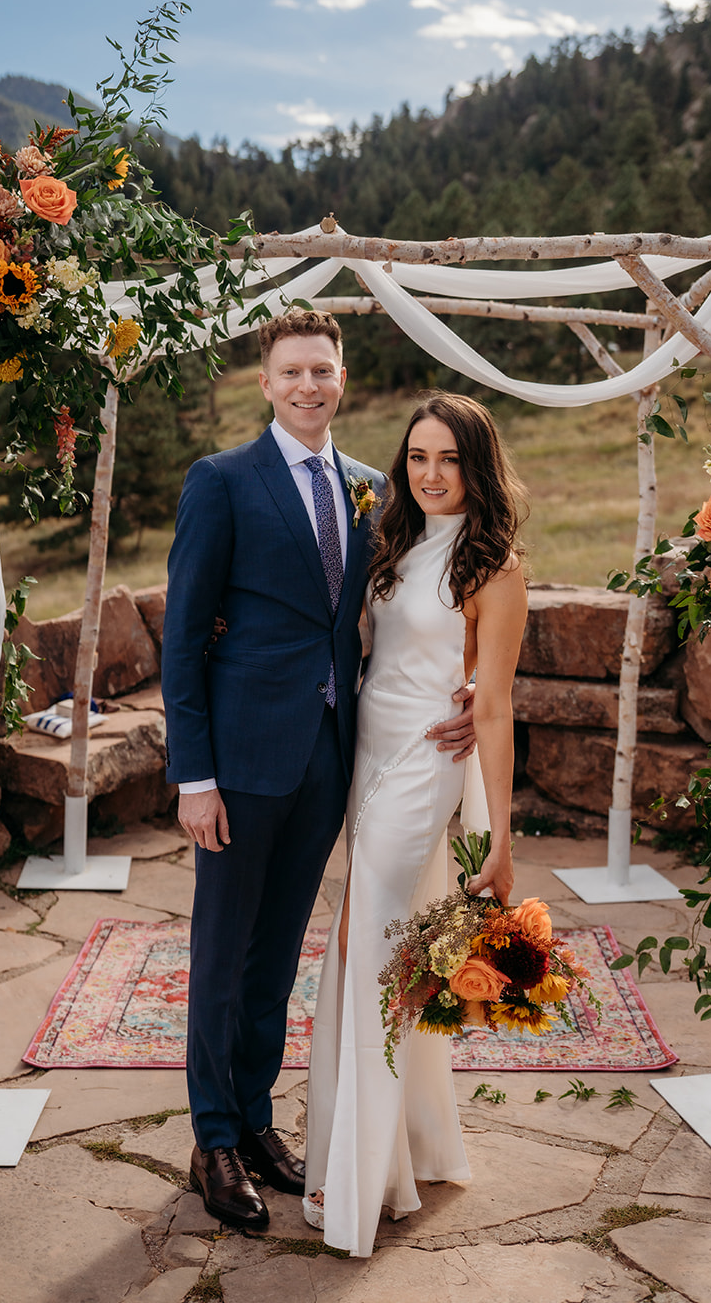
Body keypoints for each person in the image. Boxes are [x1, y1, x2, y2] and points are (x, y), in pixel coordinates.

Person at [162, 311, 477, 1232]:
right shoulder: (219, 482)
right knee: (221, 956)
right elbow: (184, 640)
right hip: (240, 761)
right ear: (265, 383)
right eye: (292, 372)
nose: (309, 385)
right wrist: (193, 777)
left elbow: (409, 609)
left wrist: (461, 693)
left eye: (324, 371)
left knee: (274, 960)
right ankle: (212, 1140)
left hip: (332, 761)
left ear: (343, 379)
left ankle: (256, 1123)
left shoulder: (372, 490)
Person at [303, 392, 528, 1258]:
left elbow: (497, 706)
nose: (431, 475)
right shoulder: (390, 538)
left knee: (371, 951)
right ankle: (406, 1145)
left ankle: (355, 1177)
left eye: (449, 460)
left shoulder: (494, 567)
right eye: (418, 457)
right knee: (366, 945)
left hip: (429, 764)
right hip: (367, 751)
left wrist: (499, 838)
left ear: (477, 466)